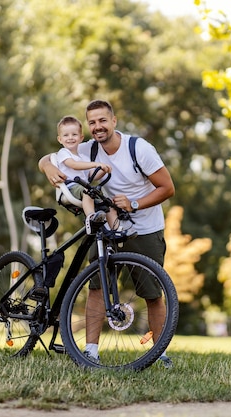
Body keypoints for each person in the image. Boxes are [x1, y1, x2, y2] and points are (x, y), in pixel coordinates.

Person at [39, 99, 176, 368]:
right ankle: (90, 351)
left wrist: (135, 203)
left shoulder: (138, 149)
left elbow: (167, 188)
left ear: (114, 121)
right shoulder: (88, 149)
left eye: (102, 120)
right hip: (107, 226)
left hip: (144, 228)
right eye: (92, 122)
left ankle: (159, 353)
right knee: (97, 287)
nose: (97, 126)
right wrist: (47, 166)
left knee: (151, 293)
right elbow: (51, 155)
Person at [54, 115, 112, 235]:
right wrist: (95, 163)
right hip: (69, 188)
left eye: (74, 135)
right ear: (60, 139)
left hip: (84, 188)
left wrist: (103, 169)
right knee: (87, 191)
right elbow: (74, 165)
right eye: (66, 135)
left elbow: (93, 175)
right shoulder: (63, 153)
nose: (70, 138)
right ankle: (91, 219)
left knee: (107, 203)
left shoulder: (83, 157)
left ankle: (115, 230)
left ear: (81, 138)